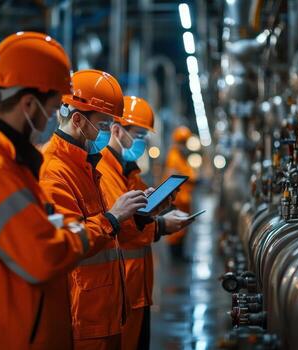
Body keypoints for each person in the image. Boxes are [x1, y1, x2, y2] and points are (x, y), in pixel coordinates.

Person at [0, 32, 114, 350]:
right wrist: (106, 223)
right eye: (51, 108)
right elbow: (44, 256)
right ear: (27, 103)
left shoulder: (9, 161)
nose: (53, 116)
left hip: (29, 333)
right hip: (15, 339)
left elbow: (39, 233)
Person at [39, 70, 148, 350]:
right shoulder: (54, 171)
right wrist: (113, 217)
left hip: (105, 309)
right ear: (77, 119)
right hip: (84, 316)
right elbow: (68, 243)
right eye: (103, 125)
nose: (107, 132)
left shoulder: (85, 164)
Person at [98, 96, 194, 349]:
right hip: (121, 291)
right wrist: (161, 225)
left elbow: (140, 216)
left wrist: (158, 208)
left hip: (138, 287)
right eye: (138, 135)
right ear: (117, 131)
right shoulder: (104, 172)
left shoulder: (130, 172)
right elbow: (123, 229)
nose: (141, 142)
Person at [164, 126, 198, 261]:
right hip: (177, 200)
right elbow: (173, 177)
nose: (184, 145)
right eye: (182, 142)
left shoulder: (180, 157)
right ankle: (176, 256)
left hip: (183, 199)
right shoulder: (174, 157)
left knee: (181, 228)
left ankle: (180, 254)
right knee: (176, 230)